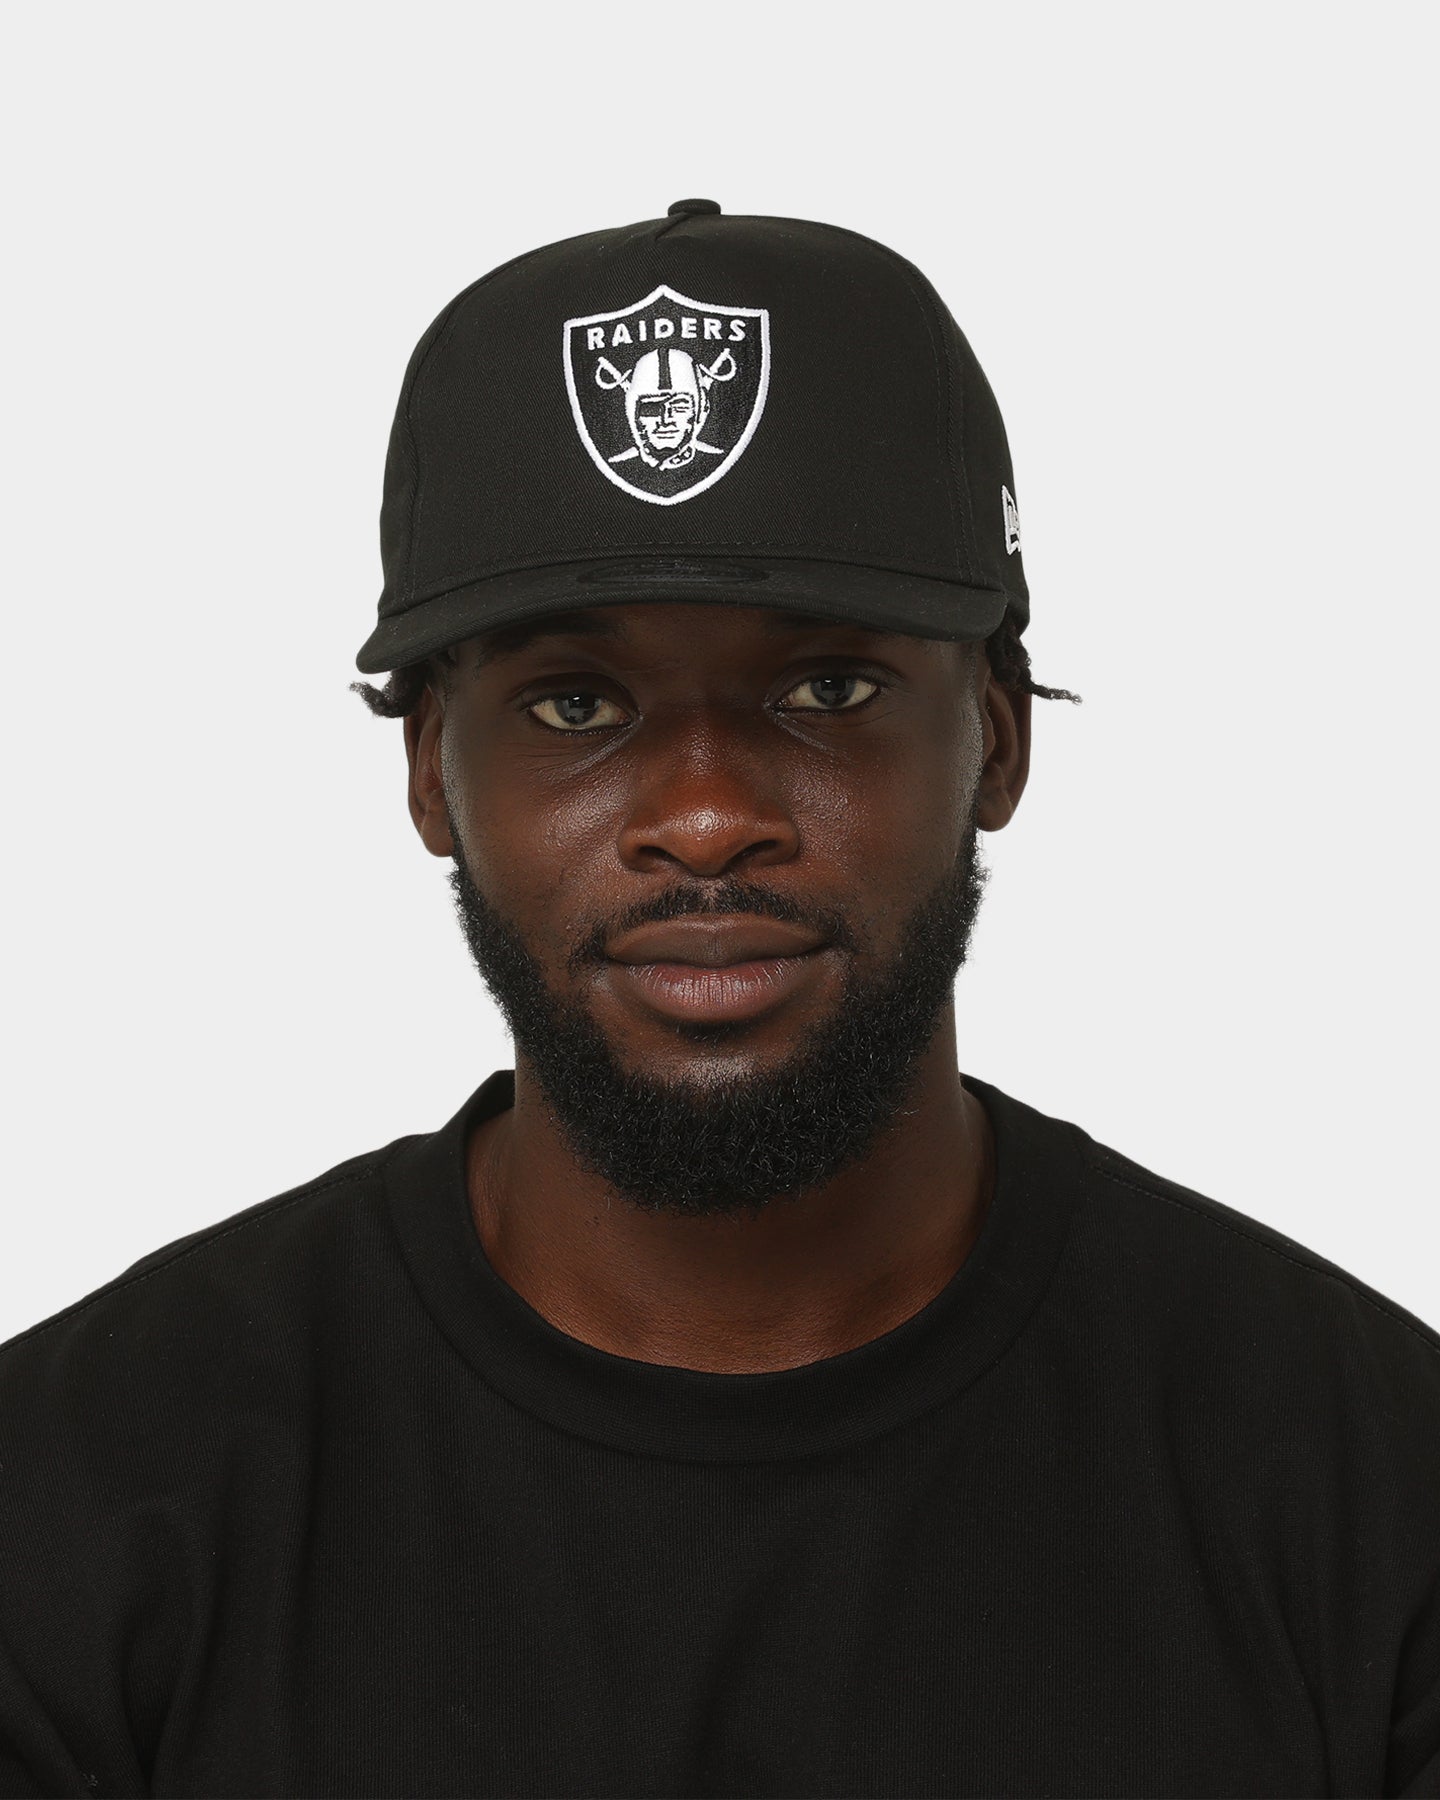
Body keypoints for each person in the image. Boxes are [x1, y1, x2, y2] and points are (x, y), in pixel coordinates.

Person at [1, 199, 1436, 1800]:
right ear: (429, 773)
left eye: (827, 687)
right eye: (575, 703)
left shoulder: (1370, 1492)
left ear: (1000, 741)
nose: (702, 816)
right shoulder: (79, 1501)